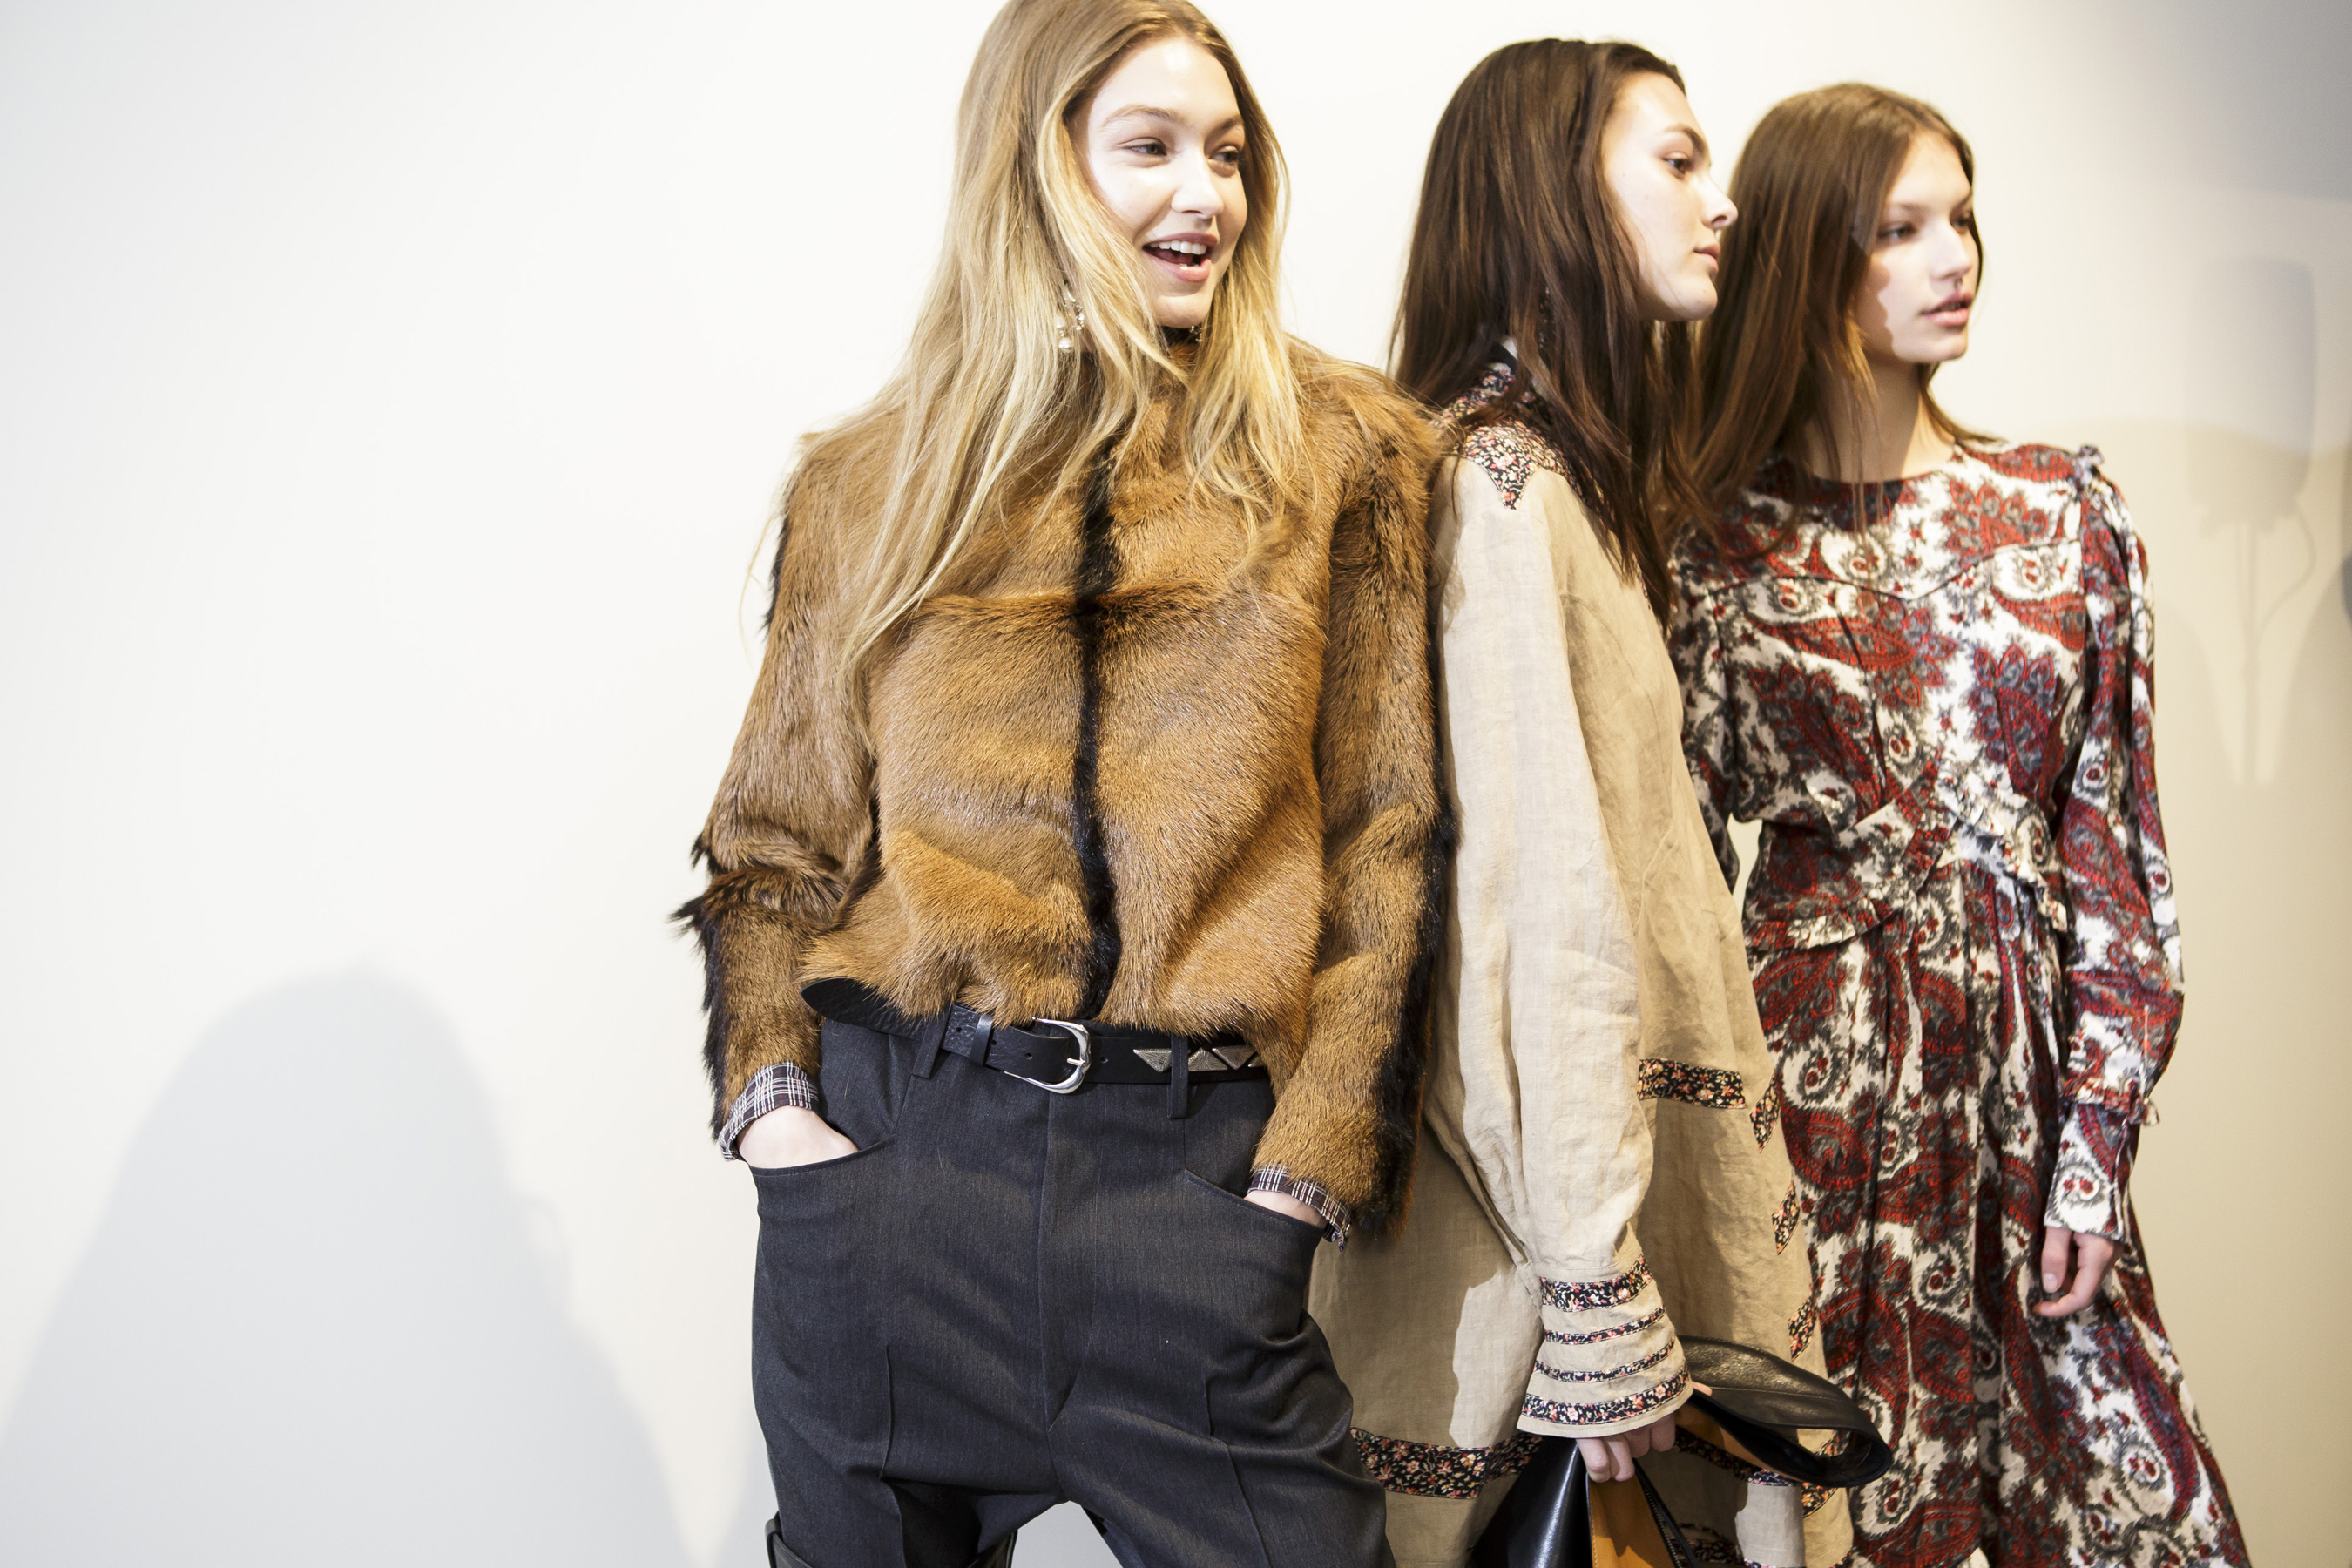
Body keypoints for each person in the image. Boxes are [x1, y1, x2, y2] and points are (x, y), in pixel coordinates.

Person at [677, 2, 1443, 1564]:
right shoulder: (872, 482)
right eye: (1150, 149)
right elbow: (773, 847)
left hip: (1190, 1198)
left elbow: (1388, 843)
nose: (1205, 196)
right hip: (897, 1192)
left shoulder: (1343, 456)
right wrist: (780, 1127)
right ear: (1035, 170)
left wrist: (1299, 1184)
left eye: (1227, 154)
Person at [1671, 83, 2247, 1568]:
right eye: (1902, 230)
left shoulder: (2064, 512)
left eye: (1964, 218)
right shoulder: (1713, 544)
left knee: (2151, 1521)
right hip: (1818, 1112)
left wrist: (2093, 1150)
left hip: (2030, 1116)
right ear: (1809, 258)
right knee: (1835, 1521)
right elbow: (1670, 884)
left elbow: (2117, 866)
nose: (1956, 258)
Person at [1308, 41, 1845, 1568]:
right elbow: (1524, 916)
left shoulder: (1563, 482)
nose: (1721, 202)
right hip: (1542, 1239)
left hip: (1589, 1193)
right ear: (1552, 192)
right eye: (1675, 161)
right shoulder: (1502, 486)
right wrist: (1595, 1284)